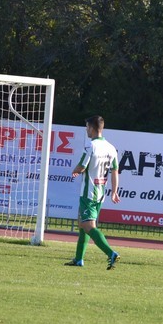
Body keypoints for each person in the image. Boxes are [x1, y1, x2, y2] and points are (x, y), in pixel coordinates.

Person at [66, 115, 121, 269]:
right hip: (100, 193)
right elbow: (115, 171)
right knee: (82, 224)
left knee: (88, 226)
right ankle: (78, 259)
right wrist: (114, 191)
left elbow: (82, 166)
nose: (86, 130)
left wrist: (74, 171)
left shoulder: (91, 146)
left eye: (87, 127)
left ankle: (111, 253)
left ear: (92, 128)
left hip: (88, 193)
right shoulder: (111, 148)